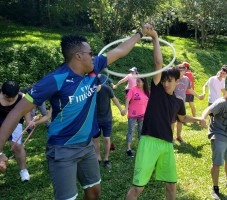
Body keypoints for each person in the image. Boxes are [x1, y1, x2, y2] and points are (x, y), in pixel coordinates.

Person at [0, 23, 154, 199]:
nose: (93, 56)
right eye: (90, 53)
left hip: (87, 146)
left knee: (94, 191)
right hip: (62, 149)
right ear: (78, 56)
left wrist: (141, 33)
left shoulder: (94, 67)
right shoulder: (55, 79)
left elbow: (120, 51)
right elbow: (15, 112)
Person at [126, 28, 206, 200]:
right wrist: (155, 38)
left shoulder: (178, 101)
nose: (166, 83)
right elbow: (158, 64)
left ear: (178, 81)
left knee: (171, 186)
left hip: (167, 145)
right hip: (149, 142)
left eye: (170, 81)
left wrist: (199, 118)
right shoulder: (157, 91)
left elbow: (182, 119)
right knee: (137, 188)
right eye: (164, 80)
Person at [0, 81, 34, 182]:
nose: (10, 99)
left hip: (16, 120)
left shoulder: (22, 97)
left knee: (18, 146)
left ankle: (23, 171)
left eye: (13, 97)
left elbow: (26, 110)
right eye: (7, 97)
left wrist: (29, 122)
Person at [93, 74, 124, 169]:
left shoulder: (106, 89)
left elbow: (115, 100)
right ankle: (98, 157)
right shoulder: (89, 91)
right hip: (95, 119)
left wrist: (121, 109)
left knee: (106, 139)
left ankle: (106, 159)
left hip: (107, 118)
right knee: (95, 139)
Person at [173, 64, 204, 143]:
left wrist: (198, 96)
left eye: (182, 69)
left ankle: (178, 136)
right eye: (179, 69)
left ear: (185, 71)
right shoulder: (172, 78)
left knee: (180, 120)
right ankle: (170, 137)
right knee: (172, 121)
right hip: (172, 103)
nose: (181, 71)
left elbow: (189, 90)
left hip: (181, 103)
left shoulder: (186, 79)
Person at [122, 77, 149, 157]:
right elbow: (127, 99)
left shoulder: (147, 91)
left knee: (141, 131)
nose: (137, 83)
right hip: (133, 114)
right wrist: (126, 108)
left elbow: (148, 103)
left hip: (143, 114)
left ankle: (141, 148)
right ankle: (128, 149)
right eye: (137, 81)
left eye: (139, 81)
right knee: (131, 130)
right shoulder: (133, 89)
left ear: (143, 82)